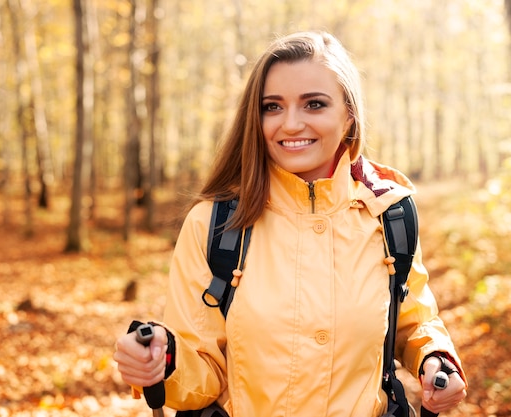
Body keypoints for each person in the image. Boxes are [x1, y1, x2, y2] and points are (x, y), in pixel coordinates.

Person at [114, 31, 467, 416]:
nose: (291, 124)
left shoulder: (390, 213)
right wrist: (162, 364)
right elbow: (202, 374)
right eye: (272, 107)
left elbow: (412, 320)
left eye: (314, 104)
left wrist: (434, 358)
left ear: (348, 114)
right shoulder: (214, 224)